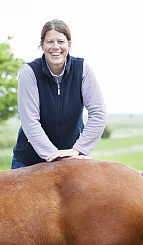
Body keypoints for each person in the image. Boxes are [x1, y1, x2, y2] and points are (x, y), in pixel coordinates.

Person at [11, 19, 107, 169]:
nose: (55, 47)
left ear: (69, 44)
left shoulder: (82, 69)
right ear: (41, 45)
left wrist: (78, 150)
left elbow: (98, 113)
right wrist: (56, 157)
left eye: (61, 41)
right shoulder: (29, 72)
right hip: (29, 161)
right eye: (50, 42)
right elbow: (30, 122)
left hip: (73, 158)